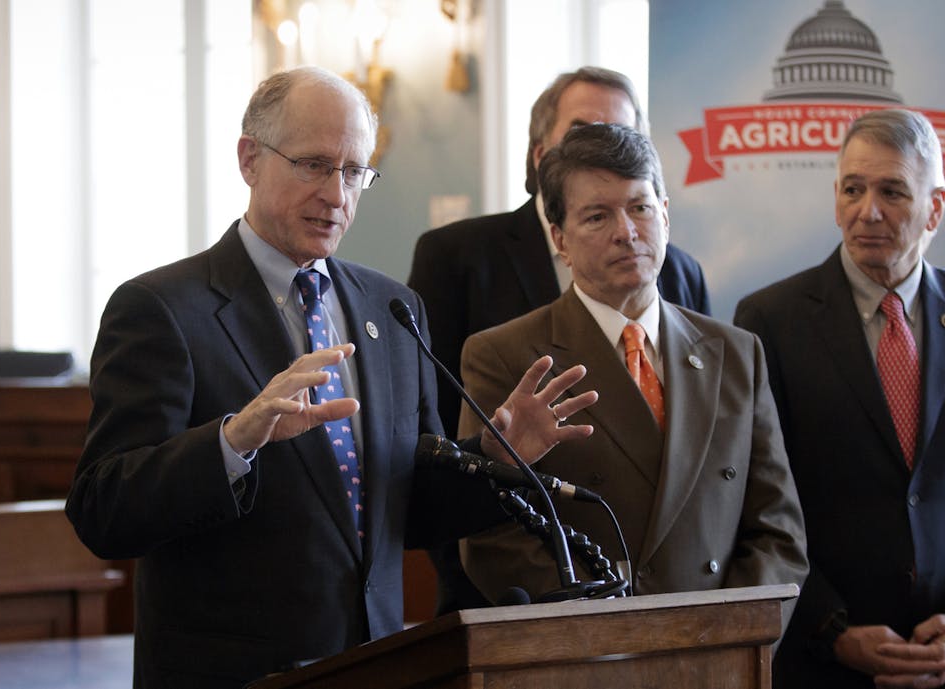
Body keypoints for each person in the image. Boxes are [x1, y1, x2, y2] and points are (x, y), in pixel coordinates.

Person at [64, 66, 598, 689]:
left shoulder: (392, 308)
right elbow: (103, 511)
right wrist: (234, 442)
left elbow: (412, 510)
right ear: (249, 159)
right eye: (314, 164)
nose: (337, 194)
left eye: (353, 172)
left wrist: (500, 457)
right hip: (232, 672)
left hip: (376, 662)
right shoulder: (161, 308)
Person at [734, 108, 945, 689]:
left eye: (892, 191)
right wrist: (832, 629)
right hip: (829, 664)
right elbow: (756, 503)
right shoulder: (769, 320)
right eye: (853, 188)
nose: (867, 211)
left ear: (936, 206)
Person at [455, 123, 808, 608]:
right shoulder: (506, 355)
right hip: (590, 654)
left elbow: (777, 529)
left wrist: (731, 637)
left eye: (640, 208)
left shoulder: (736, 352)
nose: (627, 233)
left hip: (721, 657)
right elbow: (494, 536)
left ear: (665, 215)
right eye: (598, 217)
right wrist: (613, 631)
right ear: (560, 238)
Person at [409, 68, 712, 613]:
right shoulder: (458, 257)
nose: (602, 146)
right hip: (524, 592)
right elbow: (431, 427)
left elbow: (704, 436)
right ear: (539, 153)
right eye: (582, 131)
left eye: (621, 134)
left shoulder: (680, 270)